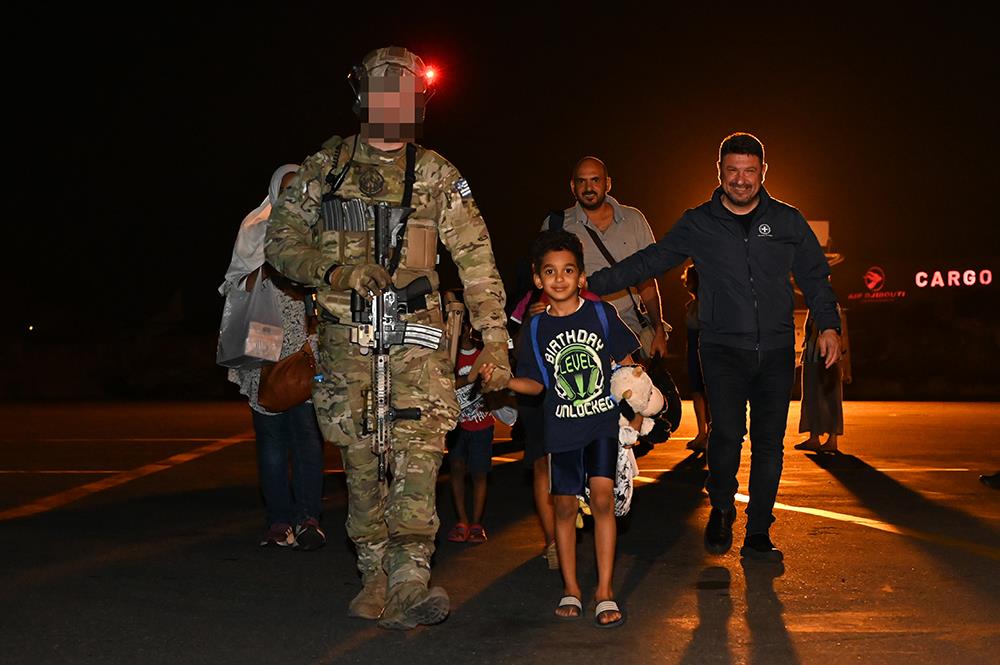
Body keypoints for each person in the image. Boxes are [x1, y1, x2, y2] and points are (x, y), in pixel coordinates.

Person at [264, 46, 511, 631]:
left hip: (418, 336)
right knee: (361, 460)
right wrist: (336, 272)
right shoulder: (326, 168)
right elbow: (281, 244)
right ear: (362, 98)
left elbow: (476, 259)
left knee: (422, 453)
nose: (393, 104)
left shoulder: (437, 174)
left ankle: (409, 579)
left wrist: (496, 338)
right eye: (382, 92)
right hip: (348, 339)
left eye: (404, 94)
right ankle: (374, 572)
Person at [585, 133, 842, 562]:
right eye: (732, 170)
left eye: (749, 171)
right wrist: (589, 286)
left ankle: (759, 529)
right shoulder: (698, 222)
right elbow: (651, 260)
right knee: (725, 435)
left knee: (769, 443)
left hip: (777, 349)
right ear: (719, 171)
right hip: (721, 348)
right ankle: (722, 507)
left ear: (763, 172)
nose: (741, 180)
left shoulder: (787, 221)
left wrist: (829, 326)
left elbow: (816, 276)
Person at [483, 230, 640, 628]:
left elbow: (628, 364)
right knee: (566, 507)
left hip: (601, 422)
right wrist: (503, 381)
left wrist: (637, 409)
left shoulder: (602, 314)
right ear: (537, 279)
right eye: (550, 272)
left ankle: (604, 590)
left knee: (603, 500)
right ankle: (571, 587)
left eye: (568, 270)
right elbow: (535, 385)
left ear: (581, 276)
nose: (559, 278)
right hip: (562, 429)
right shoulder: (535, 330)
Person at [220, 164, 327, 551]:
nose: (295, 193)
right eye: (288, 187)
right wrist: (269, 265)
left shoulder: (316, 229)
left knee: (308, 436)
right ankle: (278, 520)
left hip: (306, 339)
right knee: (270, 438)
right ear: (274, 190)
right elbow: (233, 284)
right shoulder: (256, 227)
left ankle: (308, 518)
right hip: (264, 336)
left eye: (300, 187)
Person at [540, 157, 670, 359]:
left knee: (639, 388)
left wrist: (658, 329)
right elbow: (546, 281)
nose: (588, 187)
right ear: (572, 186)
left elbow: (647, 279)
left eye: (595, 180)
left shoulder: (633, 219)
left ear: (608, 183)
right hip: (580, 336)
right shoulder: (557, 225)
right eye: (582, 181)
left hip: (631, 331)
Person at [445, 307, 495, 545]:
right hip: (457, 424)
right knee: (456, 468)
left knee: (479, 473)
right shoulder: (449, 356)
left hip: (482, 423)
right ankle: (462, 521)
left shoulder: (484, 354)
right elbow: (445, 383)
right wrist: (469, 378)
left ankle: (476, 523)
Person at [795, 302, 847, 453]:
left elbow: (838, 334)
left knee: (831, 398)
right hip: (812, 357)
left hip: (826, 357)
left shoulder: (828, 304)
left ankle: (832, 439)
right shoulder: (814, 305)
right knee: (811, 397)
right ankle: (814, 437)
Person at [682, 264, 711, 452]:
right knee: (696, 391)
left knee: (709, 392)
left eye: (689, 281)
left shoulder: (708, 304)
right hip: (693, 350)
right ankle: (702, 432)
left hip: (707, 351)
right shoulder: (690, 305)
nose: (686, 284)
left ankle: (710, 433)